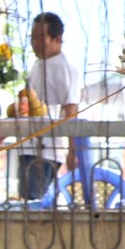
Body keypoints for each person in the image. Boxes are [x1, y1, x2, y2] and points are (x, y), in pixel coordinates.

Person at [15, 11, 81, 199]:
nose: (35, 43)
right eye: (33, 38)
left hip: (47, 149)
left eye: (41, 37)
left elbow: (70, 110)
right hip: (28, 144)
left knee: (34, 200)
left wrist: (71, 150)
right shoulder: (37, 65)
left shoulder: (64, 67)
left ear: (57, 39)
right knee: (26, 198)